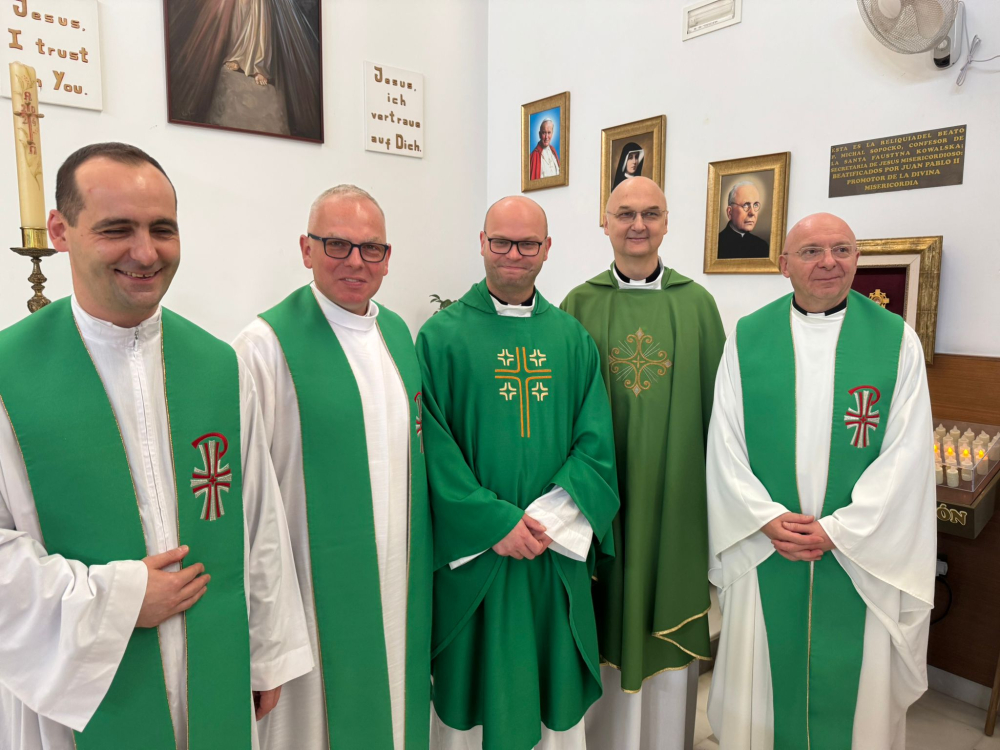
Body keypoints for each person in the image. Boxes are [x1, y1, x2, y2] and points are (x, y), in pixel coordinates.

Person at [0, 142, 312, 750]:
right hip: (76, 697)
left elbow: (259, 519)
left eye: (162, 229)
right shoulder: (10, 378)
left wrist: (267, 652)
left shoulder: (218, 366)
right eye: (117, 229)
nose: (146, 253)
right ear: (60, 231)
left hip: (214, 673)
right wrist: (118, 601)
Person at [706, 213, 936, 749]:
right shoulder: (747, 337)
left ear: (858, 259)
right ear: (784, 265)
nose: (828, 262)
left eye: (842, 250)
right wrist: (764, 518)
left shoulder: (896, 342)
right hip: (769, 547)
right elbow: (724, 443)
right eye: (811, 251)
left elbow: (907, 457)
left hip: (858, 555)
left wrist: (840, 529)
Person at [233, 185, 432, 749]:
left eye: (371, 249)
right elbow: (247, 500)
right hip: (308, 601)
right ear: (306, 249)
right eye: (337, 244)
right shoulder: (263, 347)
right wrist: (263, 637)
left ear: (388, 259)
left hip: (399, 588)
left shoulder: (397, 335)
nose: (355, 262)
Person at [417, 196, 620, 749]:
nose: (514, 254)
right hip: (478, 556)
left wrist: (545, 521)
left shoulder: (571, 339)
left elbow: (596, 445)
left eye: (528, 243)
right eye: (501, 241)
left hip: (550, 549)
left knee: (551, 698)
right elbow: (431, 448)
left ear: (547, 248)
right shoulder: (440, 338)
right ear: (482, 243)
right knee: (473, 694)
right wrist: (495, 524)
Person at [561, 176, 726, 750]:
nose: (638, 225)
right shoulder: (578, 305)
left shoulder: (697, 305)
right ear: (604, 222)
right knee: (603, 612)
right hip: (602, 499)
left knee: (664, 603)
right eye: (625, 213)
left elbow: (721, 417)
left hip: (674, 498)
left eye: (650, 213)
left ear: (666, 222)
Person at [716, 181, 769, 259]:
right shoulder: (716, 245)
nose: (752, 213)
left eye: (755, 205)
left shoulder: (762, 246)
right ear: (730, 212)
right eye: (746, 205)